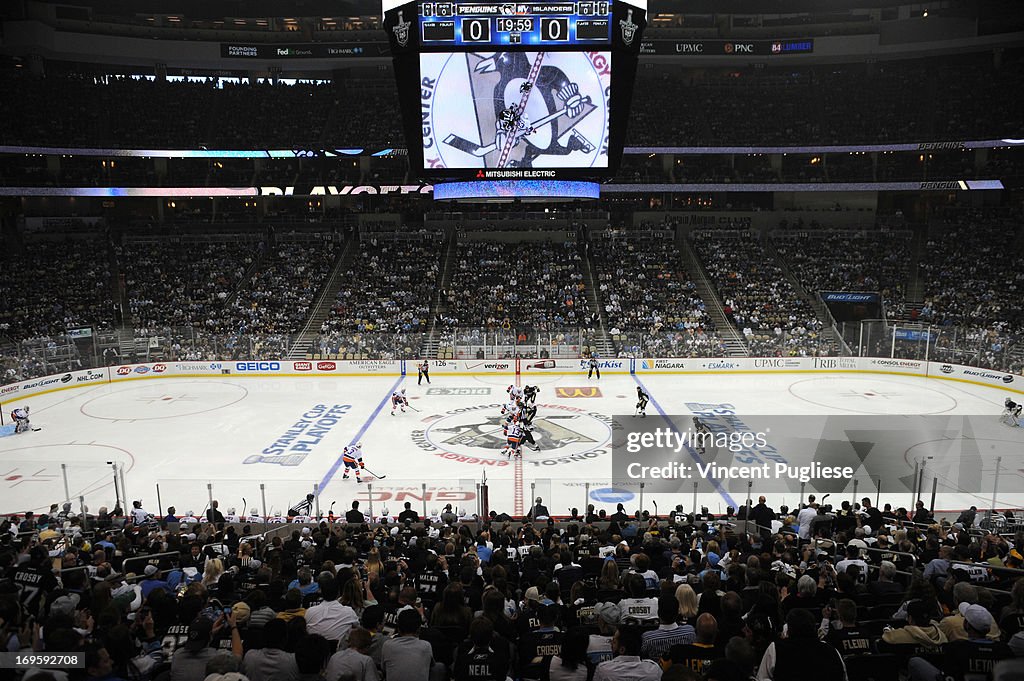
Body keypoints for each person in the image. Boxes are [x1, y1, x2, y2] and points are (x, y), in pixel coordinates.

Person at [382, 609, 435, 681]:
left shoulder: (387, 645)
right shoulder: (426, 646)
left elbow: (384, 668)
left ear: (398, 629)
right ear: (419, 629)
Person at [593, 627, 662, 681]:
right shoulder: (654, 669)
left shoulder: (603, 669)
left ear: (622, 650)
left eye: (614, 642)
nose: (611, 644)